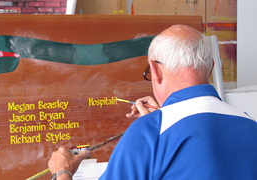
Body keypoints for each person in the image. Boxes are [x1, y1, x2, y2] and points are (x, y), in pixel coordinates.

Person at [48, 25, 257, 180]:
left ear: (155, 70)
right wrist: (163, 119)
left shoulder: (149, 131)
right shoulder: (250, 125)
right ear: (211, 68)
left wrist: (63, 172)